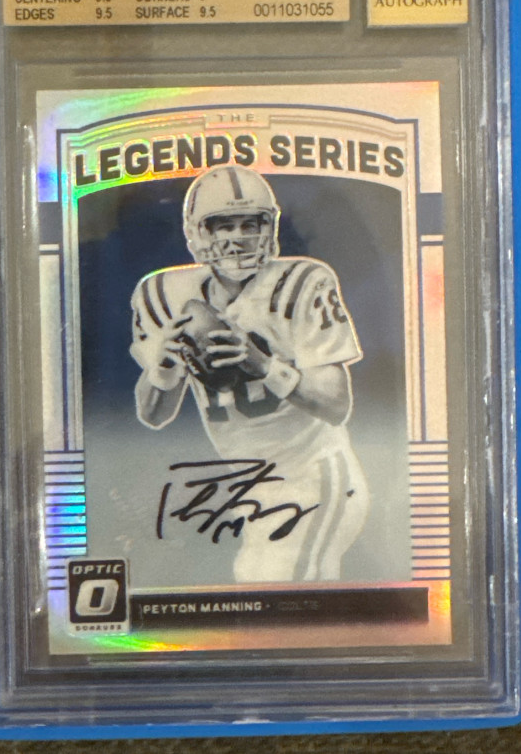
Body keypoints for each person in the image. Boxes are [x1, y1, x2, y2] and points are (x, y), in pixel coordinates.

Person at [130, 167, 369, 582]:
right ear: (197, 232)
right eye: (223, 225)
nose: (238, 237)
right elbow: (153, 415)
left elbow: (336, 404)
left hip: (315, 473)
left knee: (287, 590)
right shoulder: (164, 295)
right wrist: (163, 368)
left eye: (250, 224)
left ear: (268, 228)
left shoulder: (302, 283)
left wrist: (263, 364)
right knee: (258, 586)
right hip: (251, 484)